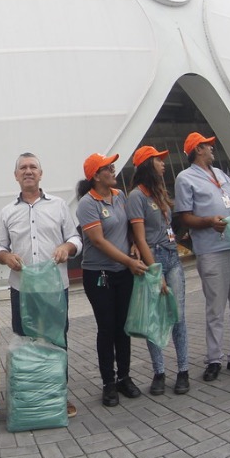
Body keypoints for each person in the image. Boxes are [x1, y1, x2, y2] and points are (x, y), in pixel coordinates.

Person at [0, 153, 82, 417]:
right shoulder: (7, 212)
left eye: (33, 167)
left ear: (41, 174)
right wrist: (6, 256)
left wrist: (67, 247)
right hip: (23, 290)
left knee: (57, 341)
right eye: (23, 168)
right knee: (25, 341)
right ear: (16, 175)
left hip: (54, 288)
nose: (28, 171)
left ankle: (58, 397)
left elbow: (76, 238)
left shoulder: (59, 206)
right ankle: (31, 397)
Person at [175, 132, 230, 382]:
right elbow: (185, 217)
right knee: (216, 307)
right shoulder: (184, 178)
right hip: (211, 250)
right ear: (198, 149)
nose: (212, 148)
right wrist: (209, 221)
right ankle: (213, 359)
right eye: (208, 145)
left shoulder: (220, 173)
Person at [76, 152, 148, 406]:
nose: (113, 170)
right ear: (96, 176)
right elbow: (98, 240)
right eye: (108, 168)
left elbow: (127, 227)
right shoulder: (88, 203)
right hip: (100, 275)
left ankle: (124, 377)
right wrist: (128, 261)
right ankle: (108, 382)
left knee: (123, 327)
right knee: (107, 329)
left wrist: (134, 246)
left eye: (113, 166)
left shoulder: (119, 196)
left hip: (123, 274)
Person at [128, 146, 190, 395]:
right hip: (155, 259)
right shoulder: (137, 196)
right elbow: (140, 239)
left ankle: (183, 370)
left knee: (178, 316)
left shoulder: (159, 193)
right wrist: (156, 271)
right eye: (158, 160)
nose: (163, 164)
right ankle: (159, 372)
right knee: (155, 318)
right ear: (147, 165)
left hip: (172, 256)